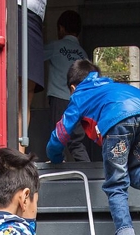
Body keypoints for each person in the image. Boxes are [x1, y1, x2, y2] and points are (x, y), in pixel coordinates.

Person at [47, 60, 140, 235]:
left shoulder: (80, 94)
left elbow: (60, 134)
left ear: (72, 87)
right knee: (136, 169)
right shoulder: (114, 87)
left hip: (118, 120)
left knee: (116, 184)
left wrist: (55, 158)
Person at [43, 10, 90, 162]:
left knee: (58, 138)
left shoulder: (55, 46)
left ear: (61, 28)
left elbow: (35, 56)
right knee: (76, 141)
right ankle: (87, 172)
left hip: (59, 98)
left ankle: (58, 171)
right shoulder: (83, 53)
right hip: (79, 101)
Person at [17, 0, 47, 153]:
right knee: (14, 90)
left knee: (26, 92)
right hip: (15, 10)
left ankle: (19, 154)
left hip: (34, 17)